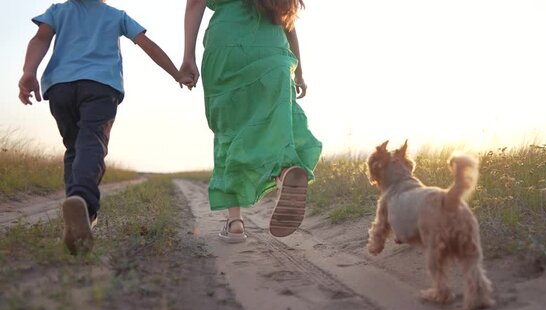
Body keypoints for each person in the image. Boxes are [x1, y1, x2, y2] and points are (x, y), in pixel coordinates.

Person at [18, 0, 192, 255]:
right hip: (100, 86)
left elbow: (40, 39)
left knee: (75, 148)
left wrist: (28, 72)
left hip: (60, 87)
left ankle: (76, 214)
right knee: (92, 143)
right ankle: (84, 205)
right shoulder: (116, 16)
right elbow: (148, 45)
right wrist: (177, 74)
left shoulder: (57, 11)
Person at [181, 0, 322, 242]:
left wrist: (188, 57)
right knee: (278, 121)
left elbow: (195, 3)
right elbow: (286, 19)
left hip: (227, 44)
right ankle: (286, 172)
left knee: (229, 130)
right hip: (272, 47)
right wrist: (299, 72)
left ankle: (235, 222)